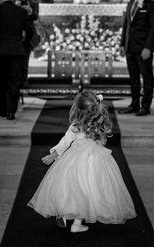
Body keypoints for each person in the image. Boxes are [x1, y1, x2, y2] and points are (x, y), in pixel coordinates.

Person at [28, 91, 136, 233]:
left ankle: (65, 214)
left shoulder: (75, 125)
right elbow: (102, 141)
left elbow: (65, 142)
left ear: (77, 108)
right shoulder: (99, 123)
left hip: (74, 159)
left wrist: (53, 155)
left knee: (71, 187)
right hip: (95, 161)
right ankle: (76, 224)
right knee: (89, 190)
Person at [0, 0, 32, 120]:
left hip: (1, 51)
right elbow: (30, 31)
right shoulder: (21, 11)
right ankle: (12, 111)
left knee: (3, 80)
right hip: (17, 51)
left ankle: (3, 110)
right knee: (14, 81)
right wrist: (23, 44)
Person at [118, 0, 154, 116]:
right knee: (133, 78)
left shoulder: (152, 6)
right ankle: (134, 104)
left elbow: (153, 28)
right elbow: (126, 26)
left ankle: (145, 106)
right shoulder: (131, 4)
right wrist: (122, 44)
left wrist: (148, 47)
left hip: (143, 49)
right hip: (130, 48)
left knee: (147, 78)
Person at [15, 0, 39, 87]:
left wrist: (30, 12)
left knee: (25, 62)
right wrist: (16, 7)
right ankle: (16, 82)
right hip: (15, 35)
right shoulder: (13, 0)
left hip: (28, 36)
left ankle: (23, 83)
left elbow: (36, 17)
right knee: (16, 62)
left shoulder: (33, 3)